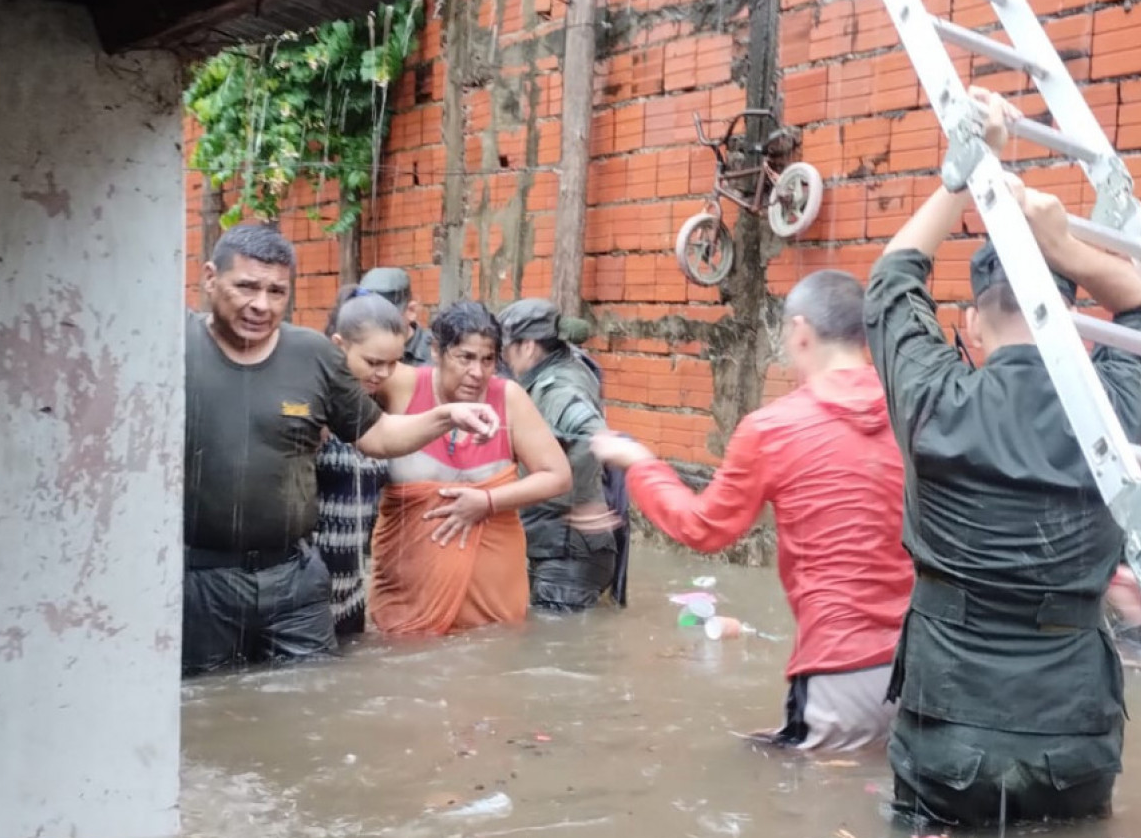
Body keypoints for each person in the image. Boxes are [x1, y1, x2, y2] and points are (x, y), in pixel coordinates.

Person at [865, 86, 1141, 828]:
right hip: (1075, 741)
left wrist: (968, 167)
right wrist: (1065, 244)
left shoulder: (935, 400)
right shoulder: (1111, 411)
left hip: (948, 735)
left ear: (971, 322)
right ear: (1068, 316)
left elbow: (890, 278)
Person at [592, 270, 914, 752]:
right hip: (928, 668)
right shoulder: (917, 409)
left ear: (800, 331)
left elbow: (703, 529)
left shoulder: (772, 428)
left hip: (838, 670)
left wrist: (642, 465)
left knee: (802, 802)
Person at [184, 225, 500, 677]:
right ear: (211, 279)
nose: (262, 305)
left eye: (277, 291)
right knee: (208, 707)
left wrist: (449, 416)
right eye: (247, 287)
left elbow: (377, 434)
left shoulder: (310, 354)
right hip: (199, 578)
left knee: (315, 700)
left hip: (293, 577)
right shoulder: (173, 348)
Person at [367, 300, 571, 636]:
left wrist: (486, 503)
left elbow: (558, 476)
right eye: (465, 358)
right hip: (406, 594)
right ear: (436, 351)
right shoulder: (399, 385)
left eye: (488, 359)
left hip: (493, 603)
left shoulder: (509, 398)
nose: (477, 372)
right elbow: (342, 374)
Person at [497, 299, 631, 611]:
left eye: (506, 349)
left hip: (566, 551)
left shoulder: (556, 387)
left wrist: (581, 502)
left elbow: (592, 436)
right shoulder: (570, 362)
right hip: (561, 546)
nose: (503, 358)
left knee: (553, 652)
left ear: (528, 347)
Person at [312, 287, 405, 637]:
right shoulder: (311, 406)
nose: (383, 373)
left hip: (352, 593)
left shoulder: (381, 408)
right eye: (373, 362)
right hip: (303, 596)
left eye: (392, 363)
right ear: (339, 345)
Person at [359, 266, 434, 366]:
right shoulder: (356, 350)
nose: (375, 325)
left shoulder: (436, 354)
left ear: (411, 311)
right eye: (367, 316)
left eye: (385, 318)